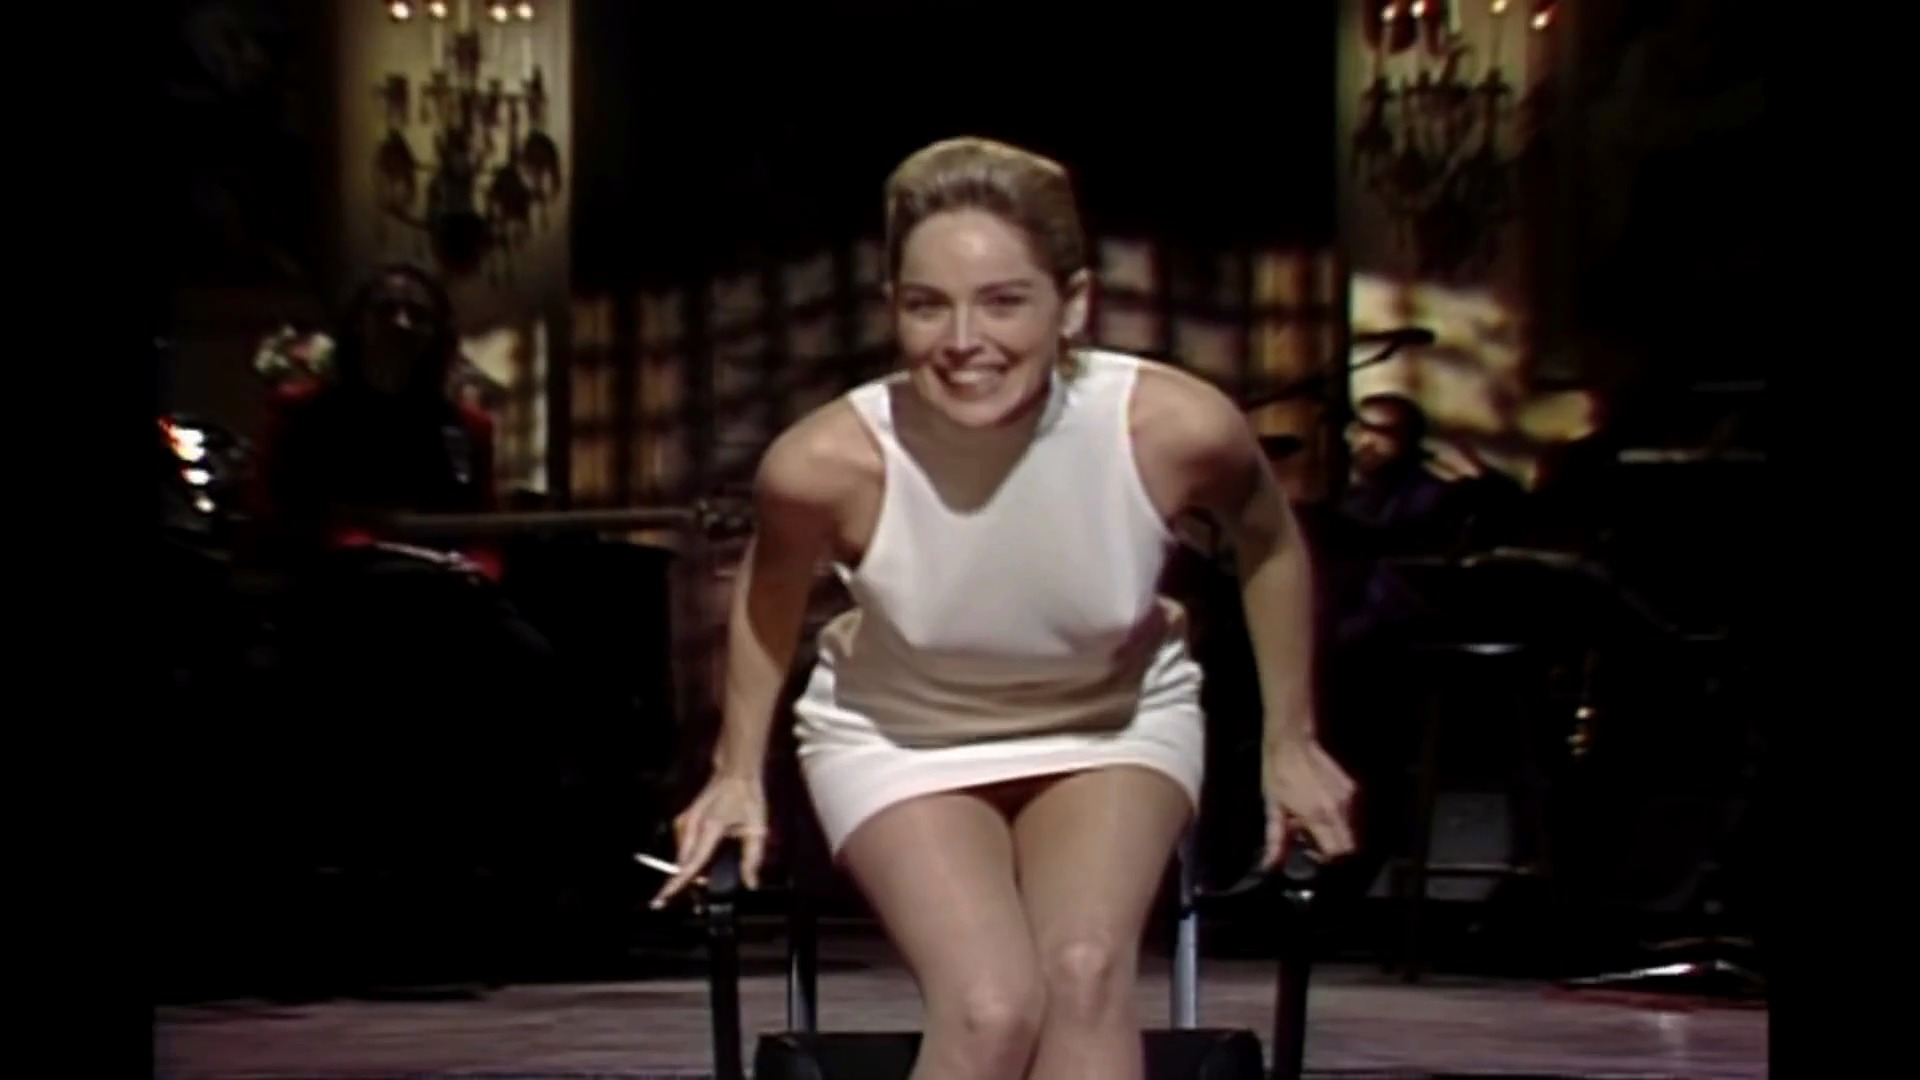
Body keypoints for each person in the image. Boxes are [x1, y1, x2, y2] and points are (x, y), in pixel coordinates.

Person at [656, 137, 1356, 1080]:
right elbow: (766, 597)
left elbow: (1269, 543)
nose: (962, 341)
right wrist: (735, 768)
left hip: (1111, 720)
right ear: (892, 309)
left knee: (1084, 972)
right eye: (926, 305)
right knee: (992, 1008)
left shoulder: (1171, 426)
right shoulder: (827, 462)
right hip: (900, 733)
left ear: (1074, 303)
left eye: (1003, 301)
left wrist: (1291, 739)